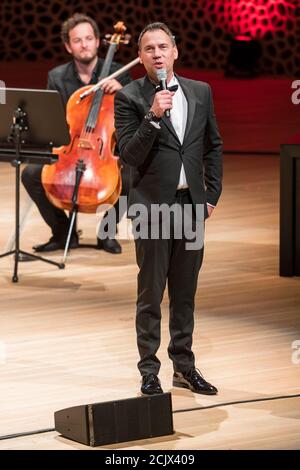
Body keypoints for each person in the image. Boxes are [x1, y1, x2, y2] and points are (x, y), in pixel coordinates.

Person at [114, 23, 223, 395]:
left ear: (175, 51)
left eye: (163, 46)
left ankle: (184, 367)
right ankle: (148, 370)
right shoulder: (130, 97)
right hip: (151, 209)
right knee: (150, 293)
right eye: (148, 49)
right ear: (141, 57)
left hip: (191, 206)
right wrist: (153, 116)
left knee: (185, 292)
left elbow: (213, 145)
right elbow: (128, 154)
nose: (157, 54)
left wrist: (211, 195)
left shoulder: (200, 92)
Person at [21, 13, 131, 254]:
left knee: (131, 178)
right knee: (30, 174)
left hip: (106, 148)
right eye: (78, 40)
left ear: (98, 41)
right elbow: (53, 122)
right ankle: (63, 233)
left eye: (89, 38)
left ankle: (107, 233)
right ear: (68, 46)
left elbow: (133, 119)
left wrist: (124, 94)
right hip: (70, 146)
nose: (84, 44)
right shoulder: (57, 77)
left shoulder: (118, 72)